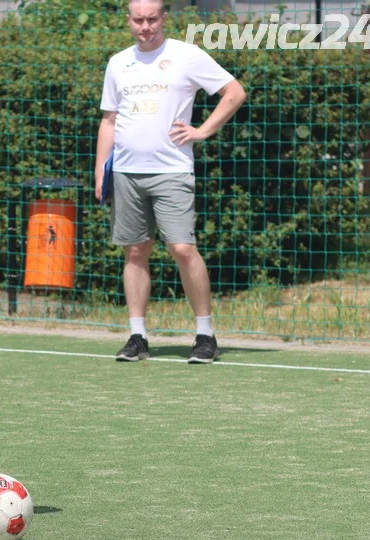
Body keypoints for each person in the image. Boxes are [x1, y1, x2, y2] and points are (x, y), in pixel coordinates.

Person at [94, 0, 246, 363]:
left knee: (182, 248)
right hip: (127, 173)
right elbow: (109, 120)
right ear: (129, 21)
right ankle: (137, 335)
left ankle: (205, 335)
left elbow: (234, 93)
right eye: (138, 20)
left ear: (164, 18)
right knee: (135, 251)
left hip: (173, 171)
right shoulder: (118, 62)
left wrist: (203, 131)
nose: (145, 27)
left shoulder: (187, 55)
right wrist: (101, 168)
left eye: (151, 19)